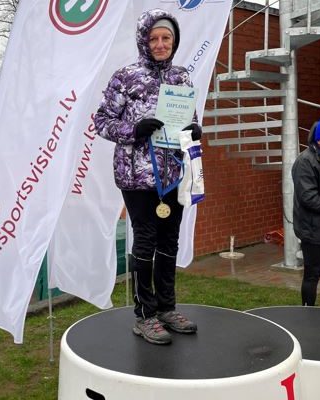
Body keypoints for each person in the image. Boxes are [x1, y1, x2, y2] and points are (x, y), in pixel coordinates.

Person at [94, 9, 201, 345]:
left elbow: (190, 120)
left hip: (173, 174)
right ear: (143, 40)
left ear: (174, 41)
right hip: (136, 176)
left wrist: (194, 131)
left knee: (169, 241)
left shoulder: (181, 78)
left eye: (166, 37)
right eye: (153, 38)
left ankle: (167, 308)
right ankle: (145, 315)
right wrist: (134, 130)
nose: (160, 44)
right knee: (145, 241)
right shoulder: (125, 77)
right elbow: (101, 121)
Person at [292, 115, 320, 307]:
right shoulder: (305, 161)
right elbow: (308, 198)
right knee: (313, 274)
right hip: (313, 231)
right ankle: (307, 314)